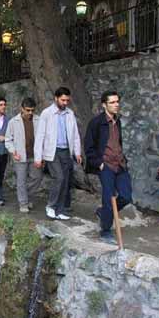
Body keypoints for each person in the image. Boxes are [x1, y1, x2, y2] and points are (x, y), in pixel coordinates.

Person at [84, 90, 132, 245]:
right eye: (112, 102)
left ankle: (104, 213)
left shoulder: (117, 121)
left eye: (117, 101)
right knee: (108, 197)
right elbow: (89, 147)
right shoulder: (96, 123)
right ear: (104, 105)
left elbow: (118, 142)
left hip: (120, 164)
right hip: (106, 166)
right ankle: (105, 230)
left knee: (126, 196)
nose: (116, 105)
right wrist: (99, 163)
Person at [34, 87, 82, 220]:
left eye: (67, 100)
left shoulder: (70, 114)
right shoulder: (47, 113)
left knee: (66, 181)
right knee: (59, 178)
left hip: (66, 151)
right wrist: (38, 157)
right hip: (52, 152)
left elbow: (75, 134)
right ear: (56, 98)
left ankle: (60, 210)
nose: (65, 103)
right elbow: (40, 136)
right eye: (63, 100)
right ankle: (51, 206)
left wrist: (77, 152)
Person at [5, 97, 43, 213]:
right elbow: (8, 139)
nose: (30, 113)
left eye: (32, 110)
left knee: (37, 178)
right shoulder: (13, 122)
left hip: (35, 156)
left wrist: (42, 155)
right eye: (28, 110)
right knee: (21, 181)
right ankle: (23, 203)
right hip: (19, 156)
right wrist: (13, 151)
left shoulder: (39, 119)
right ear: (22, 109)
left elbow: (43, 138)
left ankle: (26, 197)